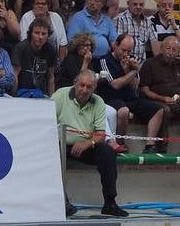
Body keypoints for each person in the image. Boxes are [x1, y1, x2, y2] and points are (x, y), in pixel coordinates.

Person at [53, 70, 129, 217]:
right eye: (81, 85)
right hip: (60, 144)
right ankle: (62, 202)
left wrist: (86, 144)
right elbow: (47, 121)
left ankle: (110, 202)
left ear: (94, 88)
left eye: (89, 87)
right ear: (75, 84)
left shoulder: (98, 101)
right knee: (51, 154)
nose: (84, 90)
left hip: (86, 146)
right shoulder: (60, 95)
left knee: (108, 152)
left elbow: (100, 134)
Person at [138, 36, 180, 148]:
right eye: (168, 48)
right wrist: (163, 99)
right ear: (161, 48)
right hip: (156, 100)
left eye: (174, 49)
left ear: (178, 52)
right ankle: (162, 144)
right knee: (164, 110)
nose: (170, 52)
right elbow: (145, 90)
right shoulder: (150, 64)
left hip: (178, 101)